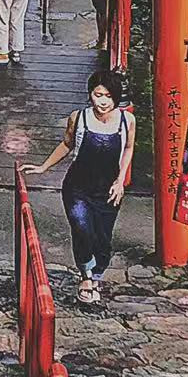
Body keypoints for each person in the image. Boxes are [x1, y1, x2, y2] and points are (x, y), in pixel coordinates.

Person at [24, 70, 135, 305]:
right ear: (90, 95)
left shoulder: (127, 121)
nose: (102, 101)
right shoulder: (79, 117)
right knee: (81, 227)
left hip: (108, 189)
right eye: (97, 95)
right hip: (78, 187)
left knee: (103, 238)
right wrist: (43, 167)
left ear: (115, 97)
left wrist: (120, 180)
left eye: (107, 96)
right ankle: (85, 275)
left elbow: (128, 149)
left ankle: (97, 274)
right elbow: (67, 144)